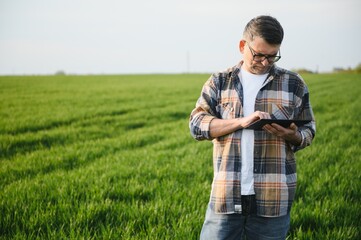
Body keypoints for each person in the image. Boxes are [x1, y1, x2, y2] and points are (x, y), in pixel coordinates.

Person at [189, 15, 316, 240]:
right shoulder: (219, 81)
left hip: (273, 197)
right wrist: (240, 122)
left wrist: (293, 136)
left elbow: (309, 130)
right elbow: (197, 125)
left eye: (272, 56)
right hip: (227, 195)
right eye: (258, 55)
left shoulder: (294, 84)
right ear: (242, 46)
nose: (265, 62)